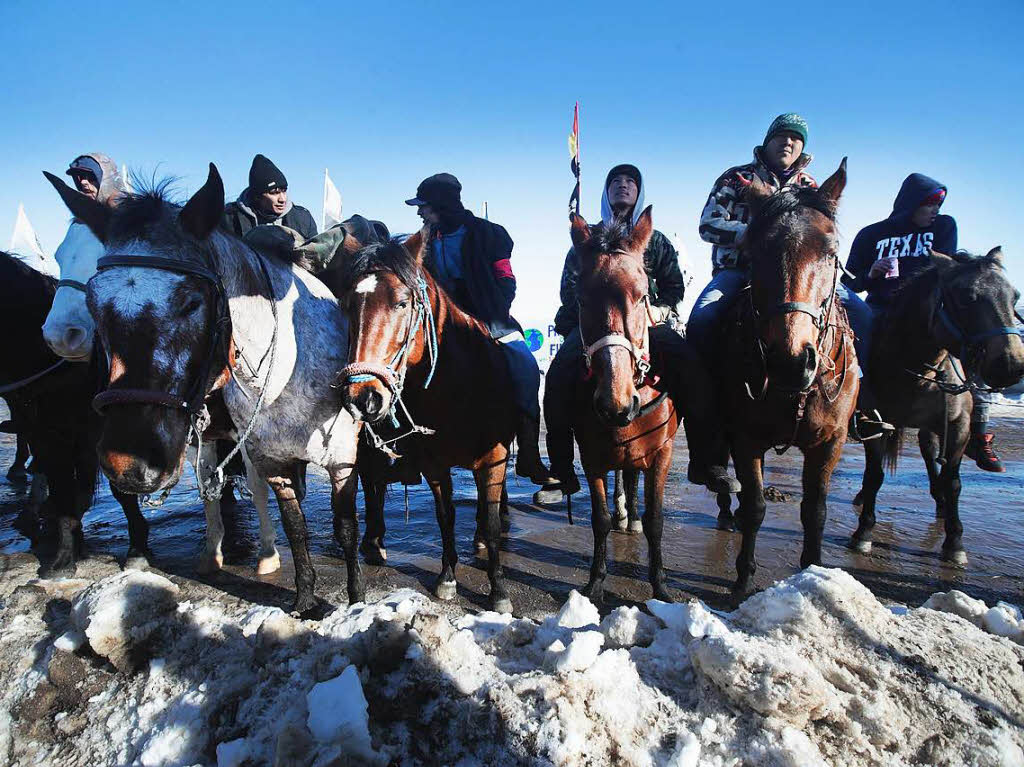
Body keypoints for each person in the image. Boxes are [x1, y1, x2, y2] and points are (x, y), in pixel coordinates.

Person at [543, 163, 740, 499]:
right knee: (558, 375)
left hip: (647, 323)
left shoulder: (657, 241)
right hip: (597, 327)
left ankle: (707, 461)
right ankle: (561, 471)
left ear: (639, 191)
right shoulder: (585, 241)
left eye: (630, 181)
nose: (623, 185)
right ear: (605, 193)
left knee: (692, 369)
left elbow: (674, 287)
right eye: (615, 181)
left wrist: (654, 309)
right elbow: (567, 289)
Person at [404, 173, 557, 487]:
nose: (420, 213)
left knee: (525, 367)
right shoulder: (423, 240)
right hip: (437, 326)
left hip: (490, 320)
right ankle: (407, 453)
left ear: (442, 205)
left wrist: (489, 314)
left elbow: (506, 281)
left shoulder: (489, 235)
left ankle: (528, 452)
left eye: (425, 207)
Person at [845, 174, 1003, 471]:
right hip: (884, 307)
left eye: (939, 204)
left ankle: (979, 430)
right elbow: (849, 282)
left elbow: (945, 272)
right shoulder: (872, 234)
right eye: (929, 204)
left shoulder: (944, 227)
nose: (935, 210)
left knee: (974, 339)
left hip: (928, 309)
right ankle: (860, 409)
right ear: (910, 203)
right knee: (857, 339)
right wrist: (871, 275)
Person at [221, 154, 317, 240]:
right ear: (257, 196)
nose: (282, 199)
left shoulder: (303, 218)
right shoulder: (229, 217)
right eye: (274, 193)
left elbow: (316, 258)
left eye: (284, 191)